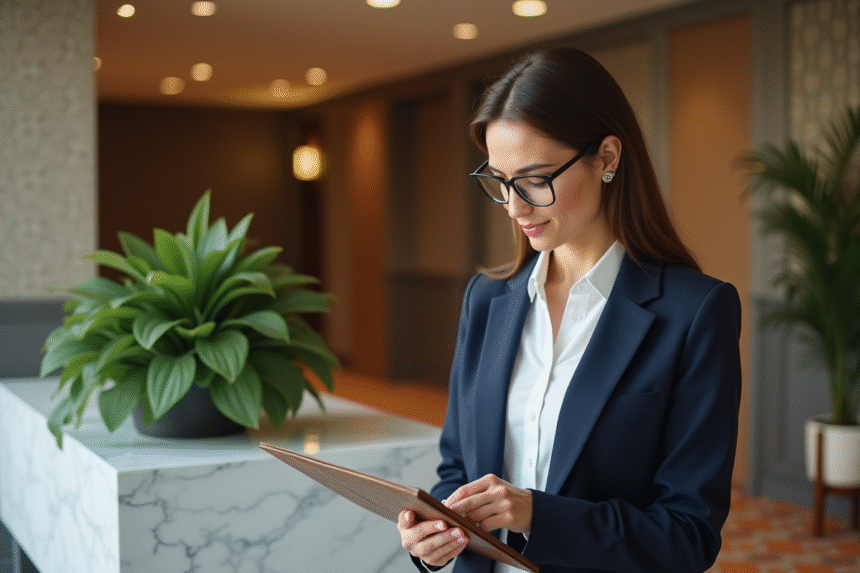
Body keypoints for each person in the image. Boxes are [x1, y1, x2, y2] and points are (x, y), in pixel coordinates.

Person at [396, 46, 742, 573]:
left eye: (535, 180)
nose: (514, 208)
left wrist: (538, 514)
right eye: (500, 182)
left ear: (607, 157)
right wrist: (436, 533)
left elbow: (687, 536)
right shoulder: (487, 301)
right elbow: (457, 468)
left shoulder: (694, 313)